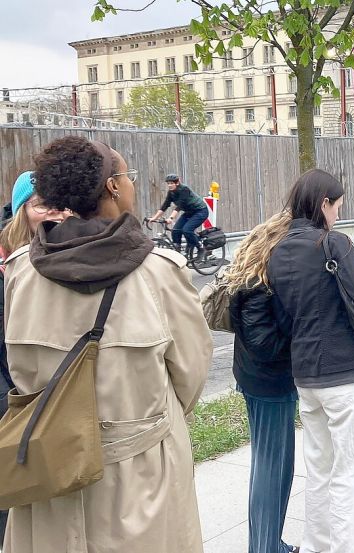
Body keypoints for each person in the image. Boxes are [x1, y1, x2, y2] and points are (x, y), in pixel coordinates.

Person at [4, 136, 210, 552]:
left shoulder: (20, 273)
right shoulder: (160, 273)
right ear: (113, 186)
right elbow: (191, 375)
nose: (132, 185)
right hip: (141, 474)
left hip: (50, 471)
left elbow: (21, 372)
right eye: (127, 176)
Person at [268, 170, 354, 553]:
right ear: (323, 204)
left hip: (305, 373)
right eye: (337, 205)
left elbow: (283, 315)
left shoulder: (278, 249)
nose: (338, 212)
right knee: (350, 472)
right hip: (344, 372)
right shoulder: (333, 243)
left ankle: (315, 544)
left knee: (318, 469)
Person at [0, 170, 71, 547]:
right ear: (20, 210)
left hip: (46, 392)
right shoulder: (7, 259)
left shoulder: (60, 255)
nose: (55, 214)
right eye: (43, 205)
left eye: (61, 206)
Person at [224, 210, 298, 553]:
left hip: (256, 377)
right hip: (269, 382)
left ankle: (271, 543)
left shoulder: (255, 272)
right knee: (272, 466)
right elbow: (266, 344)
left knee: (273, 463)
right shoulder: (262, 282)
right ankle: (266, 547)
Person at [149, 173, 210, 260]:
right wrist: (154, 218)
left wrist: (170, 218)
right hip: (189, 212)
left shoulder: (184, 189)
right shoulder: (171, 193)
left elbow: (180, 206)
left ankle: (201, 248)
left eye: (171, 183)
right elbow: (165, 205)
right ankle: (178, 253)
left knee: (187, 230)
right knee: (176, 230)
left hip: (200, 211)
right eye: (168, 183)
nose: (169, 185)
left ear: (177, 183)